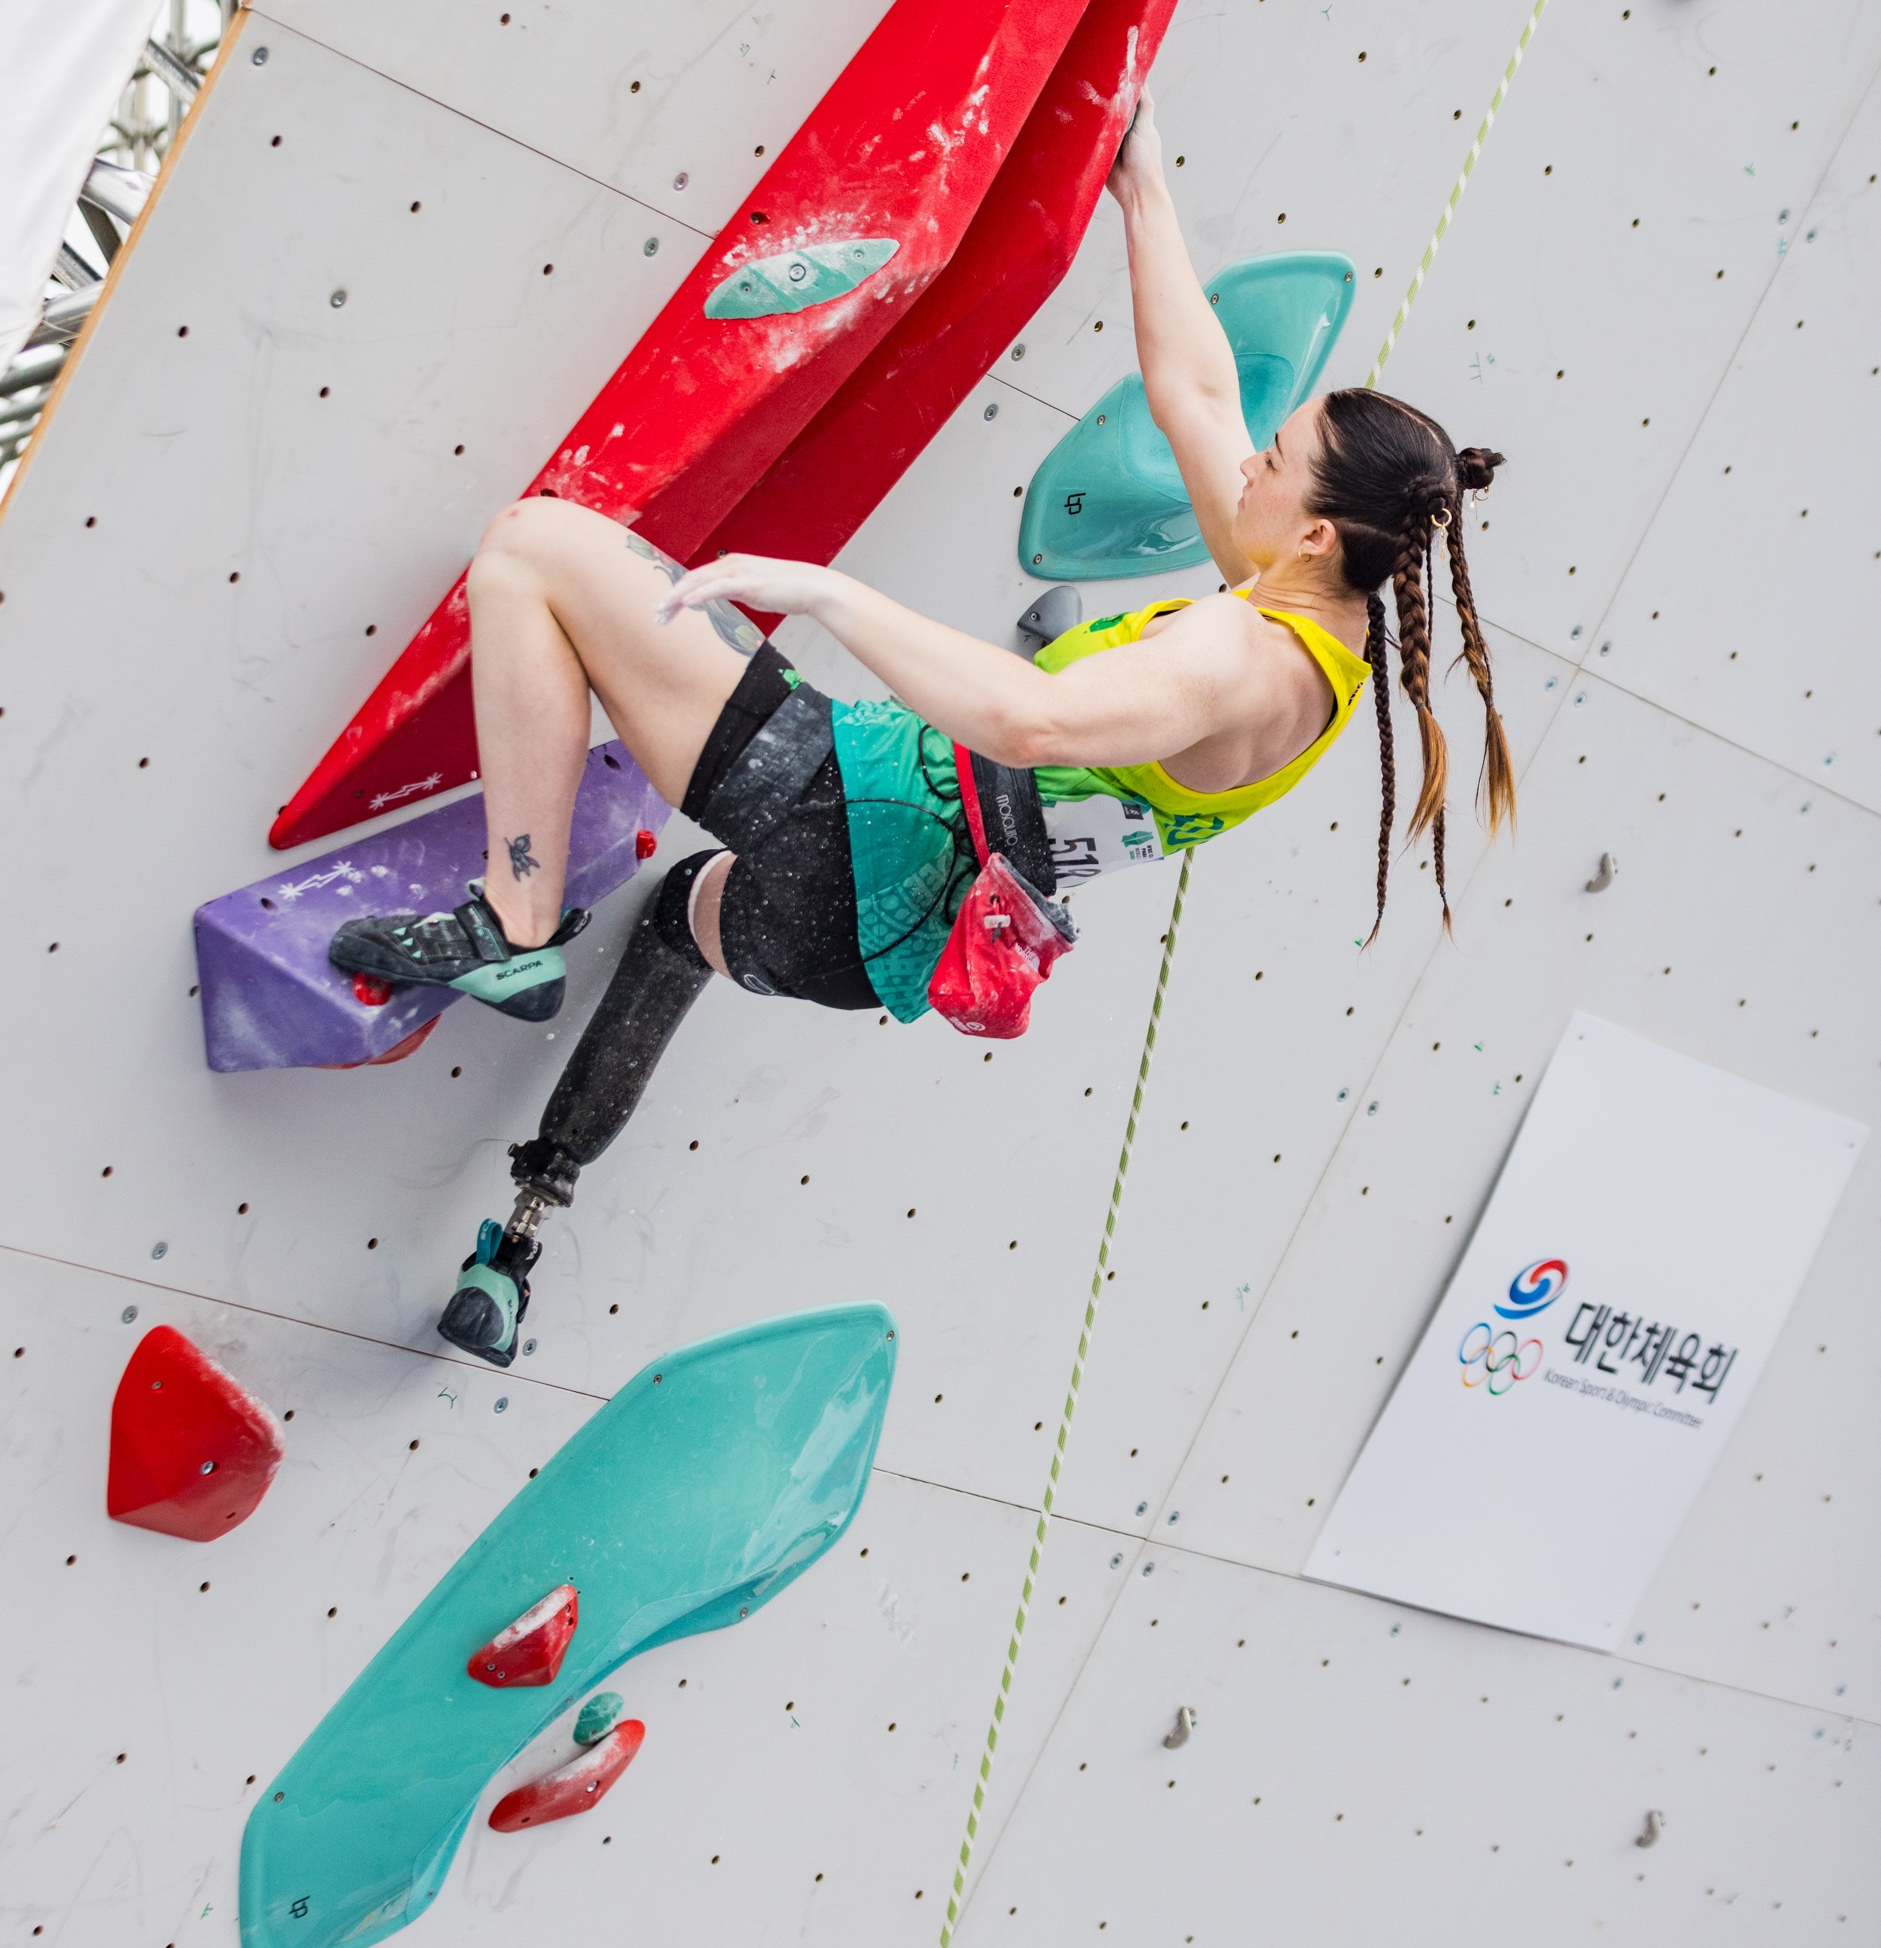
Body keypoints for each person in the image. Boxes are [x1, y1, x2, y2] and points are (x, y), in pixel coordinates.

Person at [330, 106, 1516, 1362]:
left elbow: (1031, 714)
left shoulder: (1240, 657)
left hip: (845, 816)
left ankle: (512, 929)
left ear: (1318, 530)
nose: (1247, 469)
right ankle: (516, 1238)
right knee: (686, 919)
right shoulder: (1318, 625)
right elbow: (1198, 391)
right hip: (875, 937)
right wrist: (1143, 183)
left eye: (1274, 464)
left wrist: (836, 596)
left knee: (532, 549)